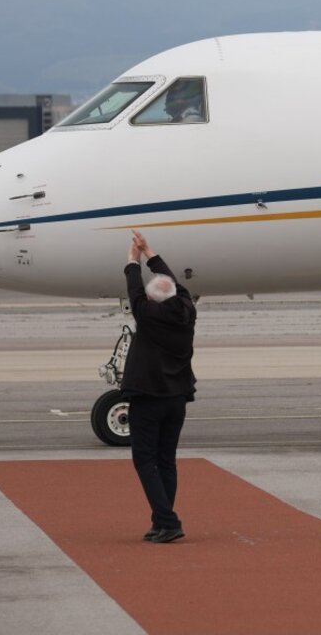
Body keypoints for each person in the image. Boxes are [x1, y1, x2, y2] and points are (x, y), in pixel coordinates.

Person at [122, 230, 197, 543]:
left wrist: (133, 260)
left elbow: (134, 290)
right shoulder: (187, 310)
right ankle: (161, 521)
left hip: (149, 398)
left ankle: (168, 521)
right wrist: (148, 254)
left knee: (145, 460)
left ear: (152, 299)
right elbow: (171, 284)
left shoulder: (148, 314)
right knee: (166, 460)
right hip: (177, 398)